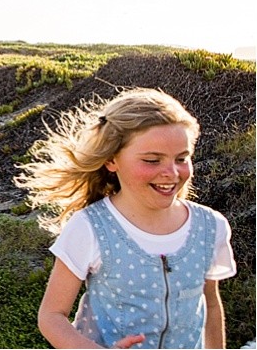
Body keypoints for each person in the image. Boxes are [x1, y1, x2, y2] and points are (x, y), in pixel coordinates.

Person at [15, 88, 236, 350]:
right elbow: (51, 317)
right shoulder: (90, 227)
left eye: (182, 158)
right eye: (152, 160)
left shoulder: (210, 226)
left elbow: (209, 302)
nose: (171, 172)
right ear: (111, 160)